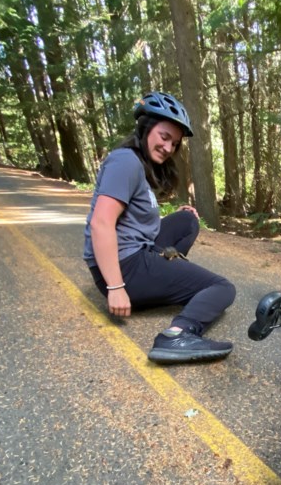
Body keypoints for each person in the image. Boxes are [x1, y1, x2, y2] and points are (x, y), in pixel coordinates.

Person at [83, 91, 236, 364]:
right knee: (222, 288)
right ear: (146, 127)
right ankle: (176, 335)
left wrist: (171, 216)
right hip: (125, 267)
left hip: (133, 255)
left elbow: (133, 219)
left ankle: (167, 276)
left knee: (186, 221)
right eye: (164, 137)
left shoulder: (137, 165)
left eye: (175, 144)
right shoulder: (125, 161)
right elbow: (101, 223)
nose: (168, 148)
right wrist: (116, 287)